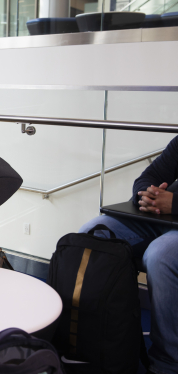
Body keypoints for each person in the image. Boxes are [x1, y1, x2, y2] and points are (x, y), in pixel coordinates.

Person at [79, 136, 178, 374]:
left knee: (160, 254)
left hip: (171, 218)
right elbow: (148, 176)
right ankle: (93, 343)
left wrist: (174, 204)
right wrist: (147, 195)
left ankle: (168, 363)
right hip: (160, 218)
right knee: (90, 234)